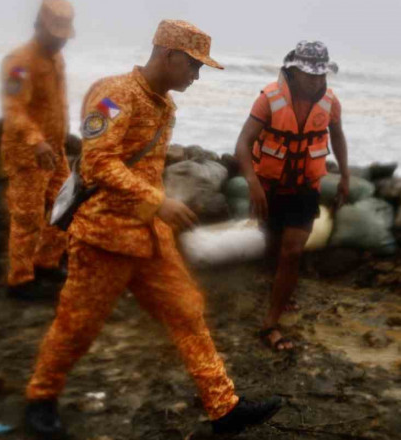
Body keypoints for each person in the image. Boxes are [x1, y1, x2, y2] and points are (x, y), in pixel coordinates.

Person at [23, 20, 281, 437]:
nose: (197, 76)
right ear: (169, 55)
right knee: (77, 325)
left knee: (188, 314)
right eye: (194, 66)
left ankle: (224, 408)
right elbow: (96, 163)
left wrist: (157, 208)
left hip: (150, 240)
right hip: (104, 238)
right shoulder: (112, 95)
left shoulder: (164, 105)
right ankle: (40, 397)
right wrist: (158, 201)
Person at [234, 41, 350, 352]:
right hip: (268, 188)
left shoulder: (330, 102)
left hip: (305, 189)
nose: (316, 81)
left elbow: (337, 135)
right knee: (272, 246)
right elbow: (243, 144)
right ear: (293, 72)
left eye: (321, 75)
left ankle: (270, 324)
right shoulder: (269, 98)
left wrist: (346, 176)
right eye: (309, 75)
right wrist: (253, 183)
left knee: (292, 252)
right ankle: (278, 293)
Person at [0, 0, 74, 299]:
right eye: (55, 35)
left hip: (54, 149)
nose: (60, 41)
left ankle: (46, 262)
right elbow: (14, 108)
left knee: (65, 205)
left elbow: (56, 103)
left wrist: (61, 134)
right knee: (27, 216)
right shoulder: (19, 63)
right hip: (28, 153)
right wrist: (37, 140)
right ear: (39, 27)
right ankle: (20, 279)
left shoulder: (57, 60)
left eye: (63, 36)